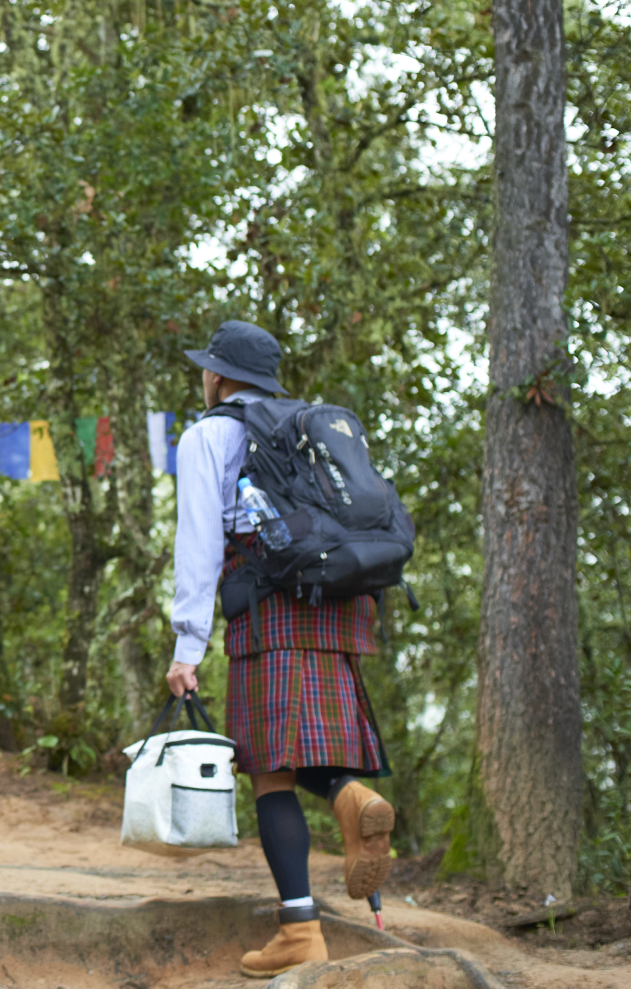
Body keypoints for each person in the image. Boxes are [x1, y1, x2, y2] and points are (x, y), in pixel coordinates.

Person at [164, 320, 396, 979]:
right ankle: (351, 796)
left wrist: (187, 646)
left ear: (217, 375)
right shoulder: (305, 427)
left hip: (268, 607)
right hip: (338, 604)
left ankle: (300, 930)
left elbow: (199, 542)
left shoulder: (210, 435)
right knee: (306, 748)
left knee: (269, 768)